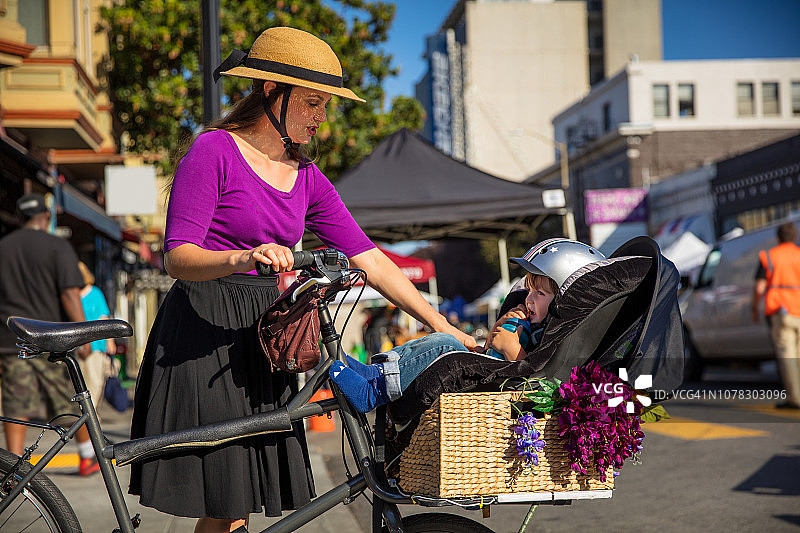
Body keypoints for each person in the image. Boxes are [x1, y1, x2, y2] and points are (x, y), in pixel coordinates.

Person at [128, 26, 475, 533]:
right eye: (312, 102)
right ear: (272, 92)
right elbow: (177, 257)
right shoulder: (214, 152)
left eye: (325, 104)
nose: (321, 116)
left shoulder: (306, 176)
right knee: (226, 503)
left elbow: (370, 260)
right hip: (206, 331)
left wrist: (443, 325)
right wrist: (241, 257)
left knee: (237, 500)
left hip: (268, 337)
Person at [330, 239, 604, 412]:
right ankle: (376, 373)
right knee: (444, 340)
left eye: (539, 295)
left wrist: (511, 349)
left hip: (501, 389)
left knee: (445, 344)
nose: (529, 299)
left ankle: (374, 392)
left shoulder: (555, 335)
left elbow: (536, 378)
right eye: (529, 291)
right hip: (491, 374)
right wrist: (500, 329)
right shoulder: (535, 323)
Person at [0, 193, 100, 476]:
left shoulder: (3, 247)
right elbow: (70, 293)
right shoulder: (57, 246)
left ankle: (13, 467)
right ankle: (86, 457)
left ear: (21, 218)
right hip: (48, 338)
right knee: (65, 400)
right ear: (45, 217)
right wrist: (82, 335)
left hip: (12, 339)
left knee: (16, 403)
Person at [751, 222, 800, 409]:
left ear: (778, 238)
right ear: (794, 237)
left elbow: (759, 287)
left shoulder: (770, 257)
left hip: (782, 313)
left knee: (788, 357)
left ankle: (795, 399)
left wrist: (755, 308)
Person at [76, 261, 118, 410]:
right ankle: (86, 415)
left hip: (95, 346)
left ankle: (91, 415)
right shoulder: (72, 295)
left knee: (95, 382)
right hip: (77, 347)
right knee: (79, 384)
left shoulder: (95, 293)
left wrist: (110, 341)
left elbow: (103, 318)